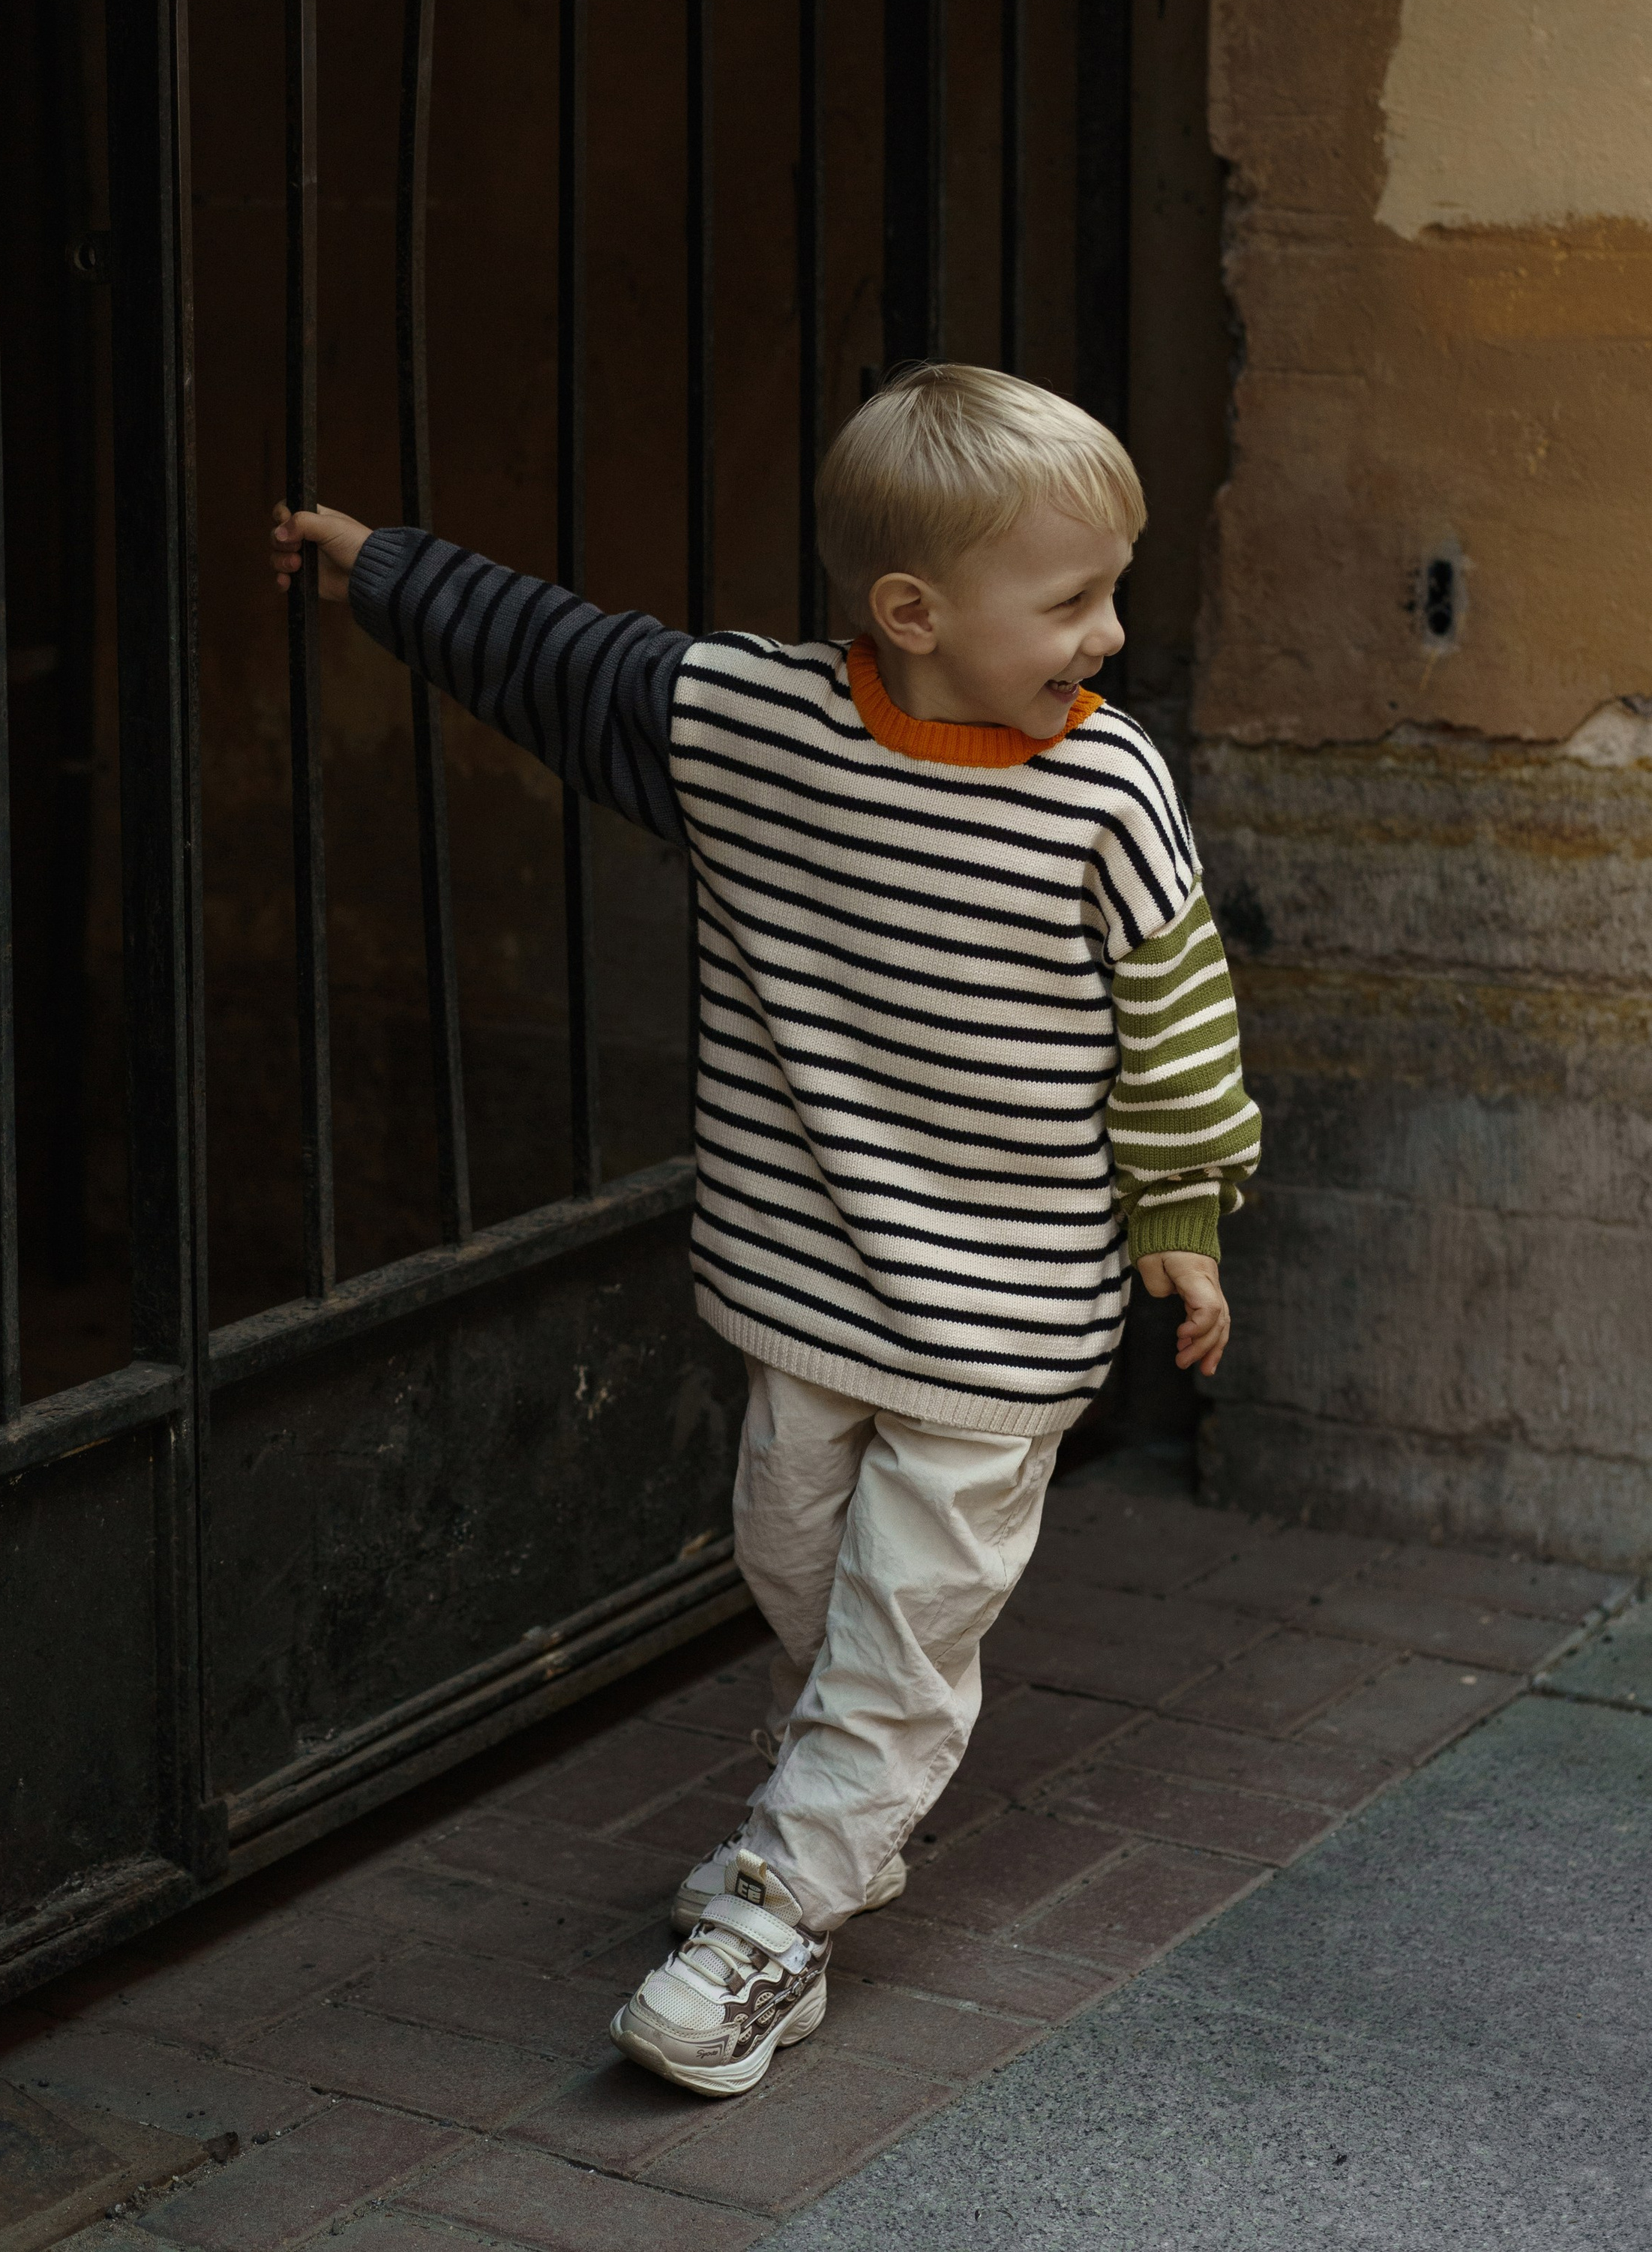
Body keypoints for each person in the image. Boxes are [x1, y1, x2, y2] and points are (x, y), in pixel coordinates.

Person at [267, 361, 1261, 2102]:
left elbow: (1174, 1013)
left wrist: (1179, 1212)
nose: (1108, 637)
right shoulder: (747, 726)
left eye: (1111, 591)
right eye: (1071, 601)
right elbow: (559, 657)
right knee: (790, 1564)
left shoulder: (1107, 793)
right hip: (808, 1280)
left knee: (897, 1631)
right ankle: (842, 1828)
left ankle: (768, 1923)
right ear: (911, 614)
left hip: (1005, 1316)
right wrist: (378, 567)